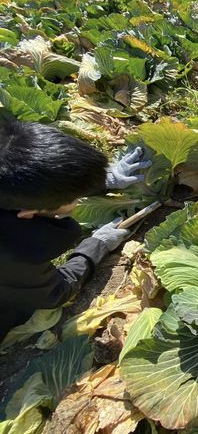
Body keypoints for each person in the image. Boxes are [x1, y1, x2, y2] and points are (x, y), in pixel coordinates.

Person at [0, 121, 151, 341]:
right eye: (74, 199)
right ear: (27, 213)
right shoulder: (12, 255)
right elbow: (56, 292)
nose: (78, 200)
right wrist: (96, 244)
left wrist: (103, 181)